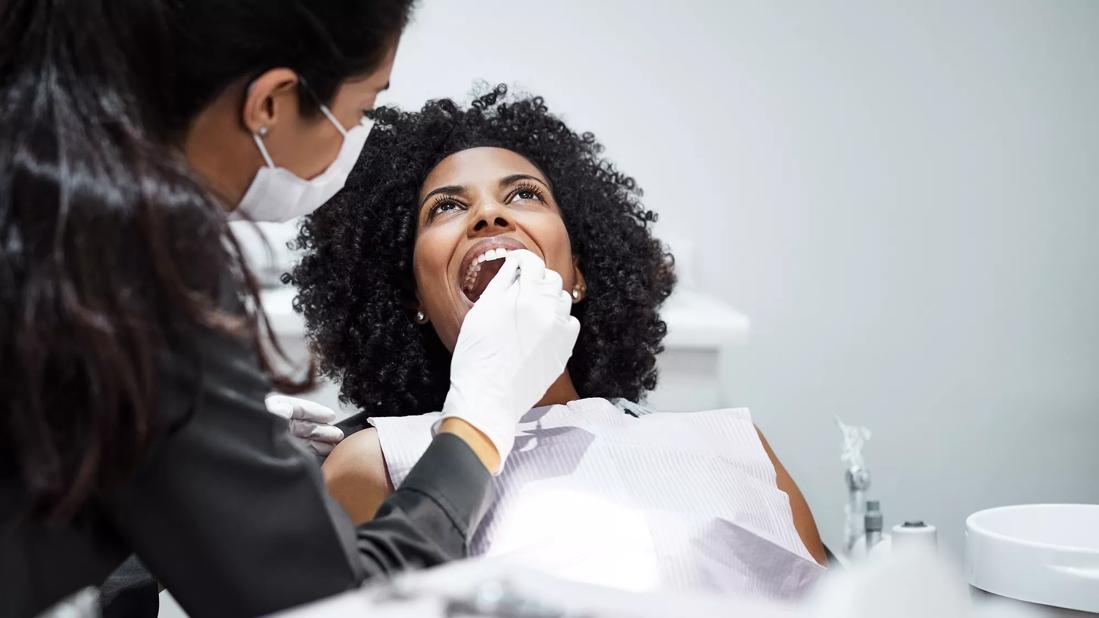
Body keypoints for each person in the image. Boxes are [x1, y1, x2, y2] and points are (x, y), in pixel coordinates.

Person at [0, 3, 577, 616]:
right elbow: (326, 602)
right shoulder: (132, 266)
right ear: (270, 102)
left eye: (524, 194)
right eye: (363, 110)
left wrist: (199, 444)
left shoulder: (55, 204)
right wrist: (479, 421)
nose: (491, 216)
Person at [287, 86, 828, 598]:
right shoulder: (376, 462)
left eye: (524, 194)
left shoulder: (737, 446)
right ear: (415, 300)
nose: (489, 214)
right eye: (446, 207)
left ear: (578, 276)